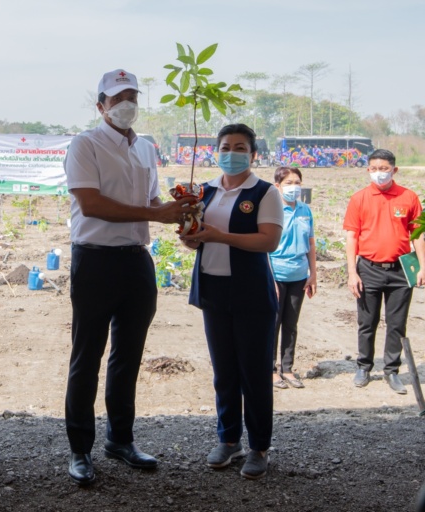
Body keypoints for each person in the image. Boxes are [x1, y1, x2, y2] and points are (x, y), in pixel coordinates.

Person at [62, 69, 195, 486]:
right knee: (87, 357)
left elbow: (151, 201)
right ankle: (80, 449)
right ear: (100, 105)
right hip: (95, 261)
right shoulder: (85, 144)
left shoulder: (145, 148)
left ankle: (120, 439)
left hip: (137, 261)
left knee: (128, 356)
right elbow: (91, 204)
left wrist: (179, 212)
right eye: (117, 98)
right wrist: (156, 213)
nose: (126, 104)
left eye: (132, 97)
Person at [181, 124, 283, 480]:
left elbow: (268, 241)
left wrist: (220, 236)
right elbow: (196, 237)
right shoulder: (204, 191)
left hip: (251, 292)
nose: (231, 153)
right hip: (213, 289)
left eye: (240, 147)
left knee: (254, 372)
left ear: (253, 155)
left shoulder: (265, 192)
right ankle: (228, 439)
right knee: (224, 371)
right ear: (216, 151)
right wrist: (191, 238)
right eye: (225, 147)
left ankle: (259, 447)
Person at [343, 148, 425, 394]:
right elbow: (351, 237)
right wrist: (352, 273)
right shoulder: (359, 199)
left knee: (396, 324)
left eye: (384, 169)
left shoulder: (409, 197)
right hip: (368, 269)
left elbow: (417, 235)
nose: (379, 173)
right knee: (367, 322)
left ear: (394, 170)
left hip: (400, 270)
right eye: (374, 169)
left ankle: (392, 370)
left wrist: (422, 266)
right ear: (368, 170)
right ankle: (364, 366)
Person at [268, 167, 317, 389]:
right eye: (288, 183)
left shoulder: (305, 210)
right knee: (273, 324)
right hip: (277, 274)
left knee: (291, 323)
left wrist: (313, 274)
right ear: (277, 186)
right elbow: (265, 248)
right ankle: (270, 370)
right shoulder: (272, 211)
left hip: (299, 276)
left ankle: (287, 368)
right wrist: (269, 279)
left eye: (297, 182)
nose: (294, 187)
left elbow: (311, 243)